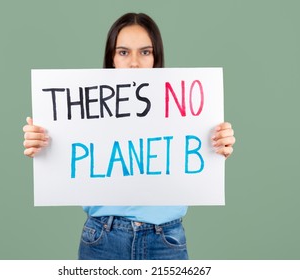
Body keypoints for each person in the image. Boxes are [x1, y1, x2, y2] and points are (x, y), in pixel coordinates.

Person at [23, 13, 235, 260]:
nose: (134, 62)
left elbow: (193, 161)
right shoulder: (86, 110)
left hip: (165, 240)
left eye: (145, 52)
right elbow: (67, 154)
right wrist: (42, 142)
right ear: (112, 58)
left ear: (156, 58)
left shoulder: (183, 110)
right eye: (123, 52)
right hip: (102, 239)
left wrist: (217, 145)